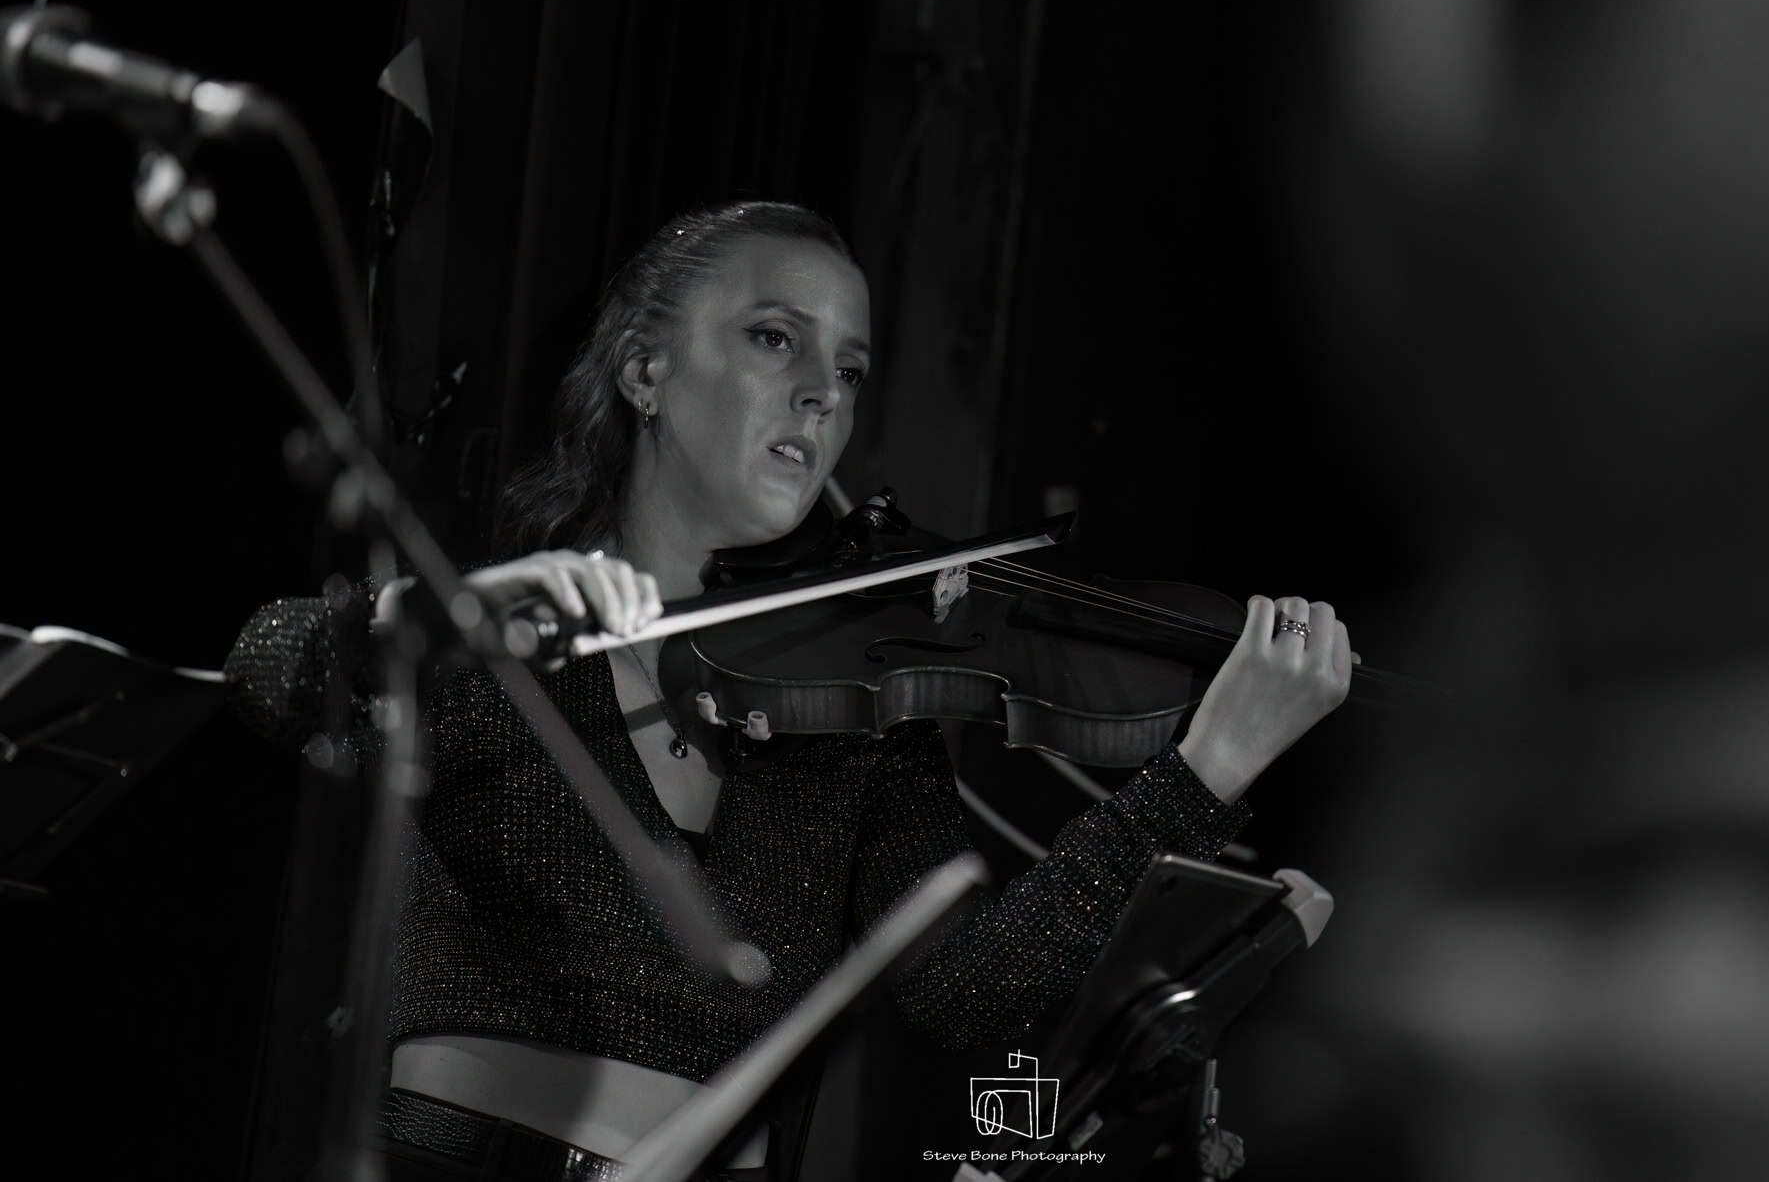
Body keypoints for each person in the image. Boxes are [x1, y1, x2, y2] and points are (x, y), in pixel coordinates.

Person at [226, 201, 1351, 1181]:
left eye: (849, 372)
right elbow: (269, 671)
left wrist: (1205, 768)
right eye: (775, 338)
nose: (822, 396)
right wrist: (426, 618)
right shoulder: (497, 643)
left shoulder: (854, 718)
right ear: (645, 371)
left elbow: (967, 992)